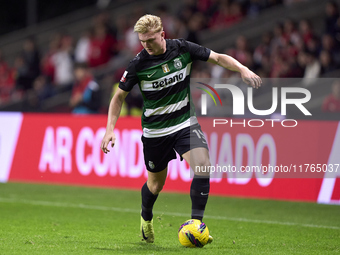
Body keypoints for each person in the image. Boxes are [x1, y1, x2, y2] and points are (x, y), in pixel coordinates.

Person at [100, 14, 261, 244]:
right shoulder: (138, 63)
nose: (146, 46)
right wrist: (109, 130)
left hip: (184, 123)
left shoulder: (183, 48)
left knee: (203, 166)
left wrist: (242, 69)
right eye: (142, 41)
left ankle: (197, 224)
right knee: (155, 184)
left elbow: (217, 58)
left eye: (151, 40)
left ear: (162, 34)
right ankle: (146, 217)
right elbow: (118, 97)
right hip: (155, 132)